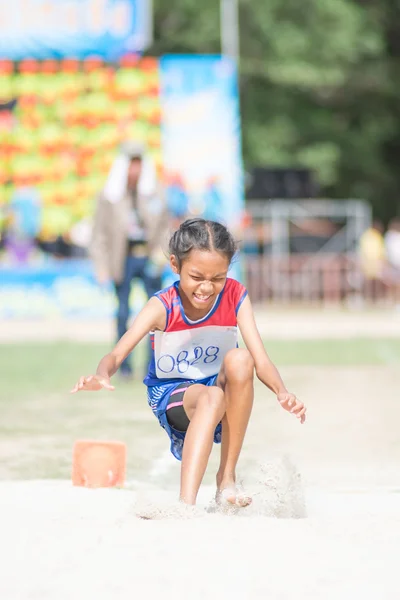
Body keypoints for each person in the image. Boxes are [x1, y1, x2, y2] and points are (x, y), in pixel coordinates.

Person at [71, 218, 306, 507]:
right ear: (175, 265)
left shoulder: (235, 296)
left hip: (216, 389)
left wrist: (282, 391)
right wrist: (102, 374)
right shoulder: (162, 305)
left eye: (217, 278)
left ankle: (226, 481)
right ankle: (186, 504)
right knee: (212, 397)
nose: (206, 288)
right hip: (173, 396)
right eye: (197, 276)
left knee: (241, 359)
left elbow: (261, 359)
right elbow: (118, 354)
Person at [90, 140, 168, 378]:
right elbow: (99, 233)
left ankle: (152, 366)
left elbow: (165, 227)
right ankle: (123, 367)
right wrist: (102, 267)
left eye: (138, 164)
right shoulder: (110, 195)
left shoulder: (154, 192)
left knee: (154, 315)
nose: (135, 170)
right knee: (123, 313)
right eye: (130, 164)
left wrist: (162, 255)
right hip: (121, 259)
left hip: (149, 257)